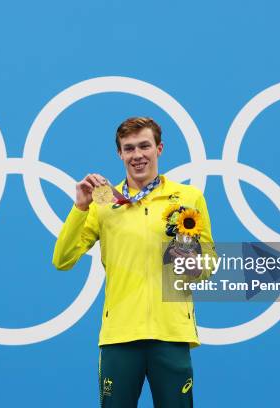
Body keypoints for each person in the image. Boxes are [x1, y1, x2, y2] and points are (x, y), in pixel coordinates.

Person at [52, 117, 217, 407]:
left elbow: (208, 267)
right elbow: (62, 260)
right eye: (129, 148)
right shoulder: (103, 200)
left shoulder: (188, 198)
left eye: (144, 146)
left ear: (159, 148)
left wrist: (189, 259)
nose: (137, 155)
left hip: (171, 333)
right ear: (120, 154)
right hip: (120, 336)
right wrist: (80, 207)